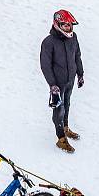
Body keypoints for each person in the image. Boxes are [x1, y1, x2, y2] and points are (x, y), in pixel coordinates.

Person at [40, 10, 85, 153]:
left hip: (70, 79)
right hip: (57, 84)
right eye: (65, 25)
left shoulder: (74, 37)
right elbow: (45, 65)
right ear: (57, 24)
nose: (69, 28)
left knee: (67, 104)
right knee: (58, 109)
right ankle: (61, 139)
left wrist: (80, 73)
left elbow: (77, 55)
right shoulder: (48, 42)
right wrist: (52, 85)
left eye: (70, 25)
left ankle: (65, 127)